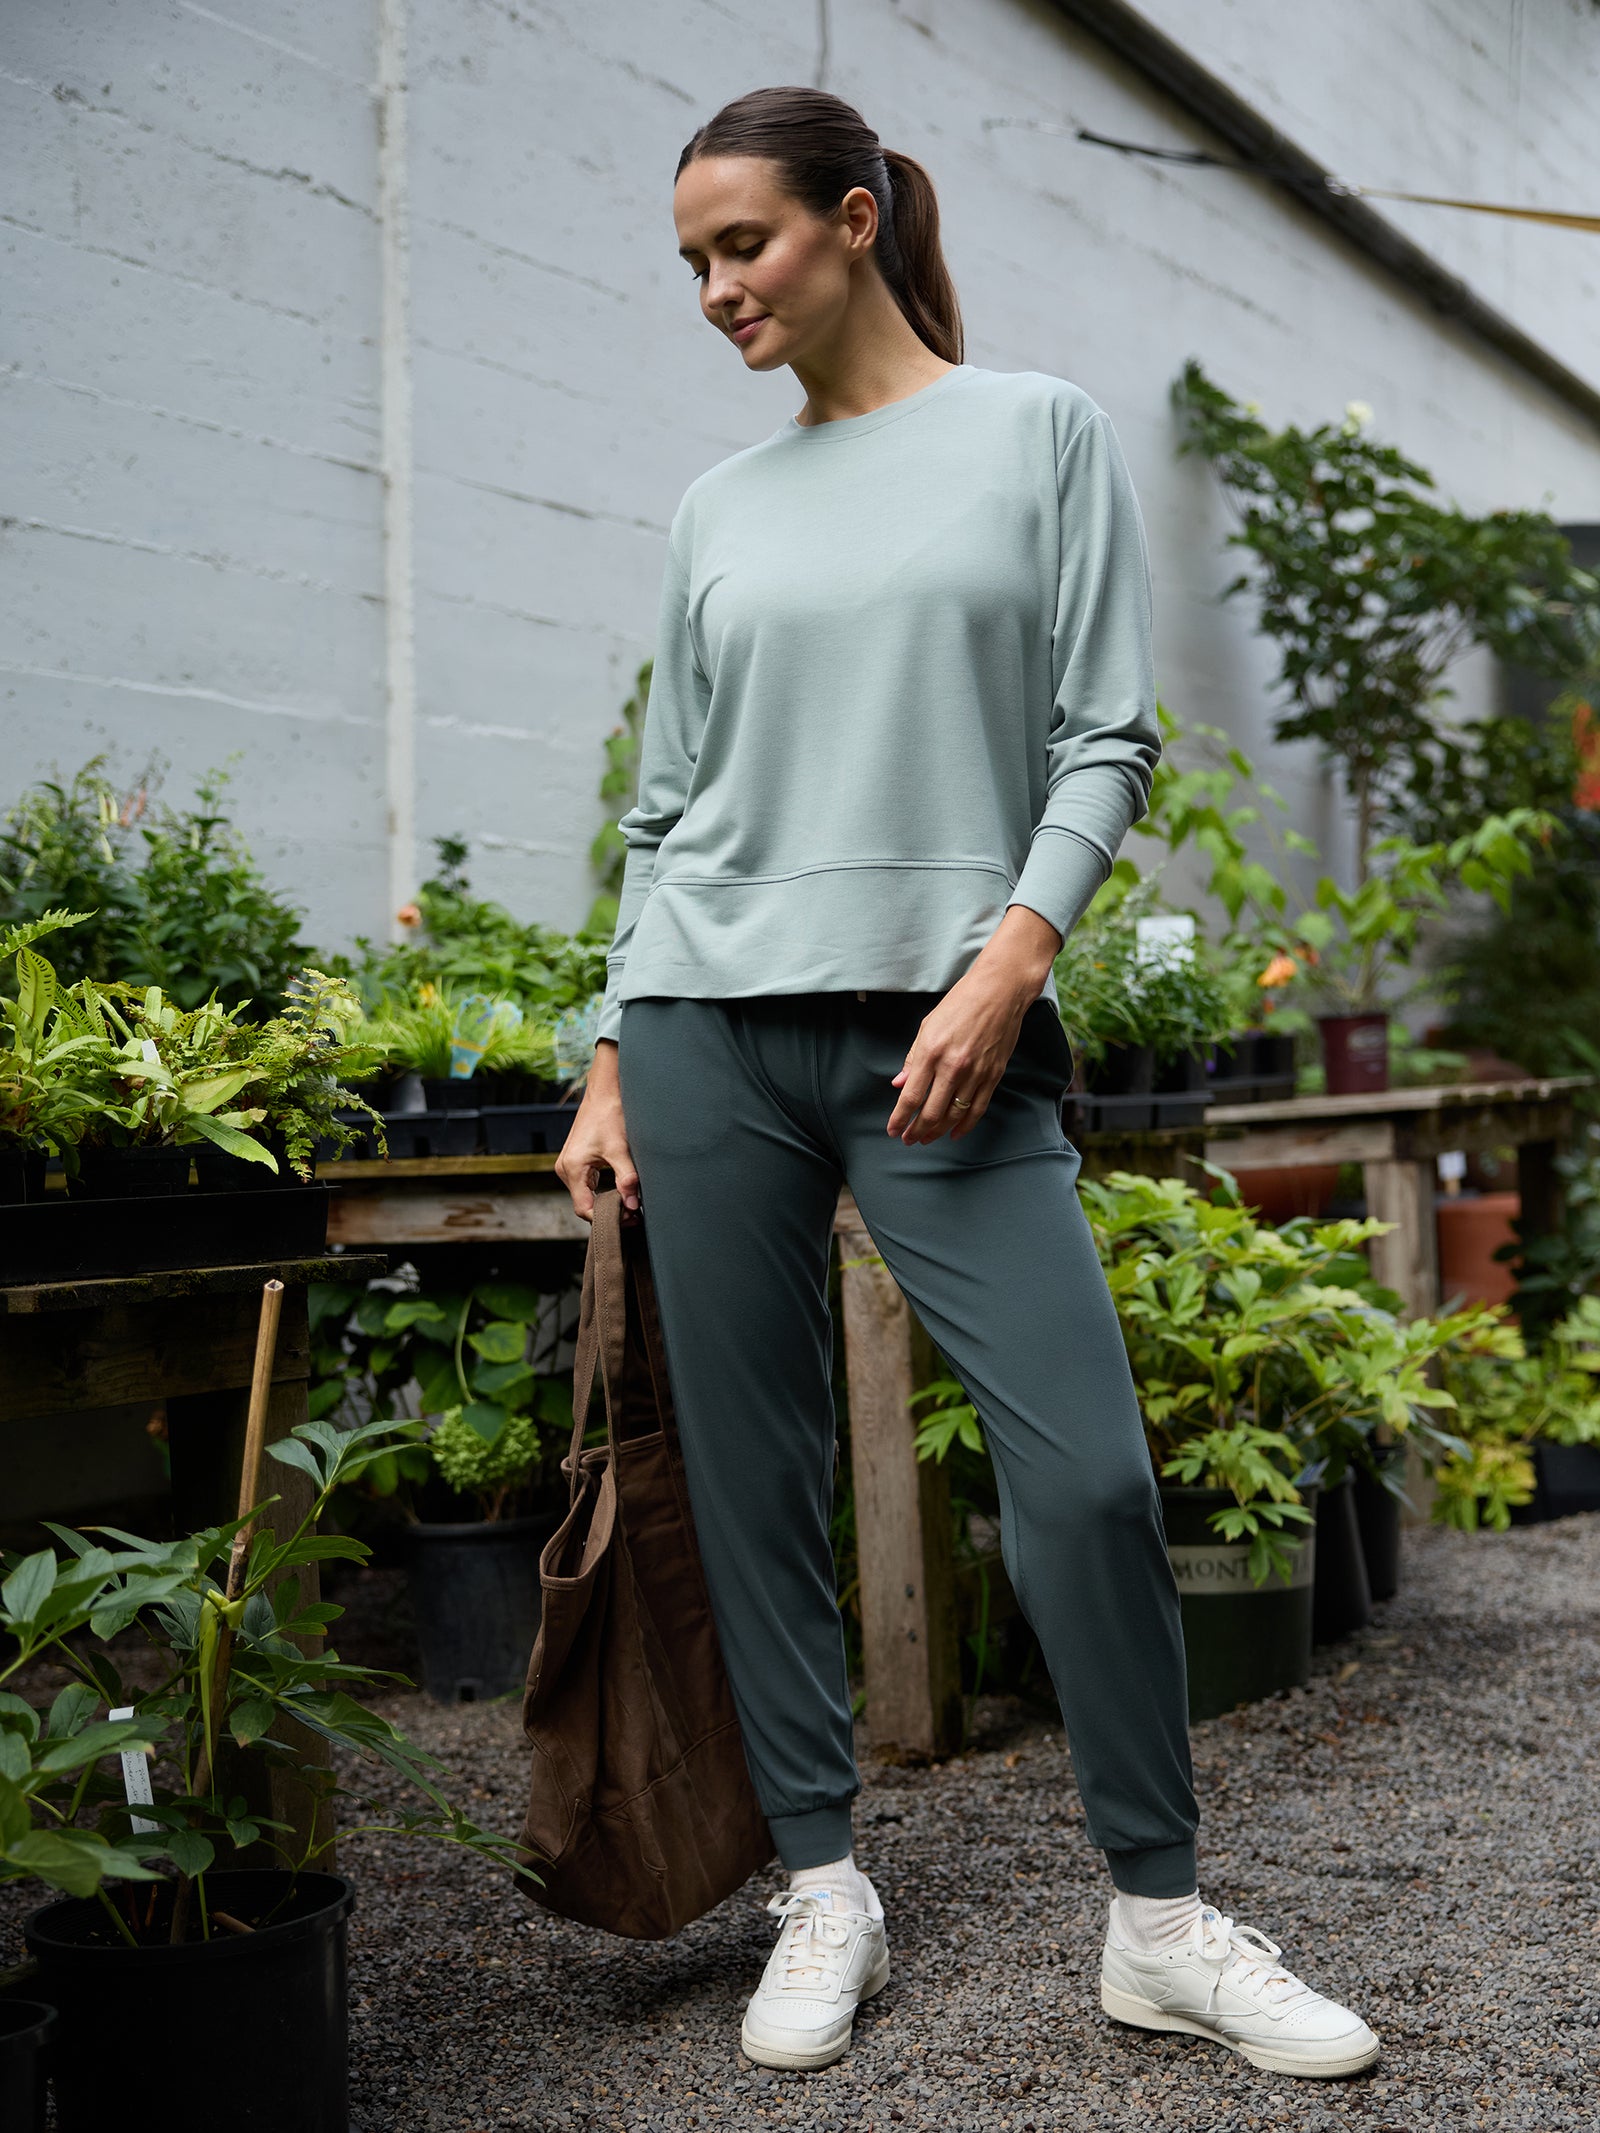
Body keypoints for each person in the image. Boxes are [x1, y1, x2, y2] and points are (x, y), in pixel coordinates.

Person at [555, 84, 1380, 2085]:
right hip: (707, 1032)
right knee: (753, 1483)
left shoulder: (1034, 432)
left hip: (943, 1032)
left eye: (738, 245)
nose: (712, 291)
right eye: (688, 263)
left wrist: (1008, 957)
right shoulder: (716, 509)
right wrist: (604, 1050)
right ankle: (821, 1880)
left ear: (849, 221)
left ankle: (1160, 1917)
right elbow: (669, 812)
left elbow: (1103, 735)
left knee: (1086, 1469)